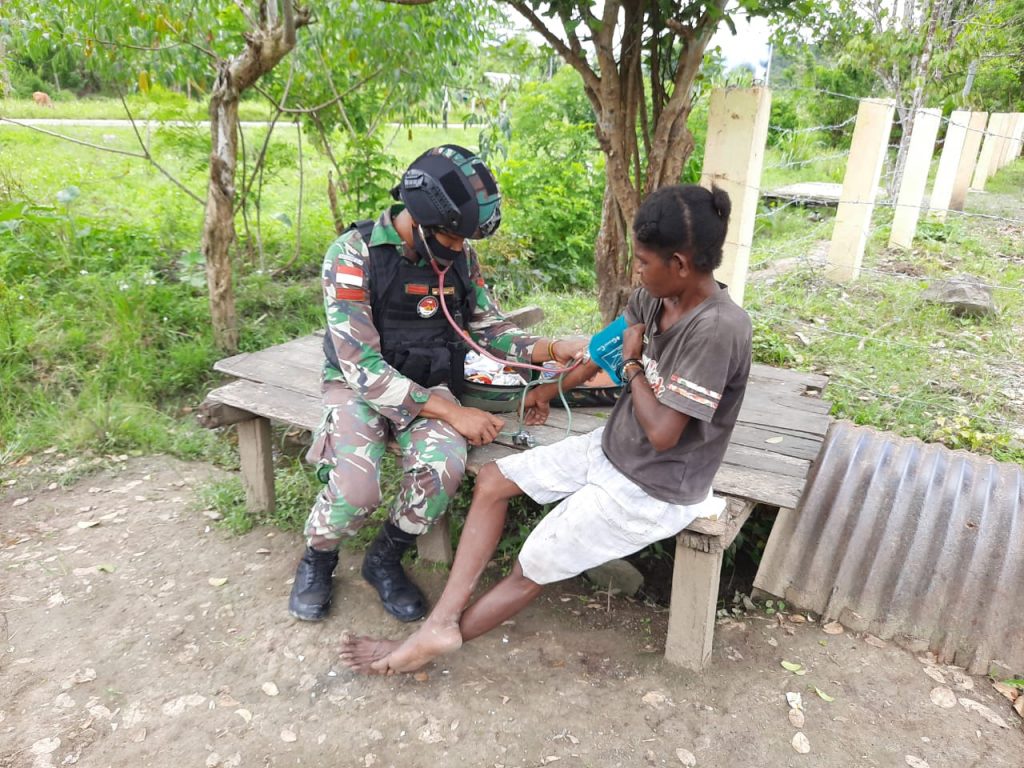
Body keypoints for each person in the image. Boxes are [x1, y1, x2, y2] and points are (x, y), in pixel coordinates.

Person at [340, 183, 752, 674]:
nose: (636, 272)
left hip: (655, 485)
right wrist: (547, 391)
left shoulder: (718, 329)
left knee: (531, 564)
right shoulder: (656, 297)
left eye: (643, 262)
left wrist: (633, 365)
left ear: (680, 264)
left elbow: (664, 434)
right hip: (613, 447)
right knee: (493, 480)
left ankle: (429, 642)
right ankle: (443, 620)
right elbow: (602, 351)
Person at [290, 145, 583, 624]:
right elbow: (362, 367)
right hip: (358, 387)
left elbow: (487, 328)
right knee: (355, 491)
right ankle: (318, 557)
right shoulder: (353, 254)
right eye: (451, 237)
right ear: (419, 219)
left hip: (429, 381)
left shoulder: (460, 257)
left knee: (442, 470)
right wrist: (453, 413)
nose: (459, 248)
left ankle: (384, 557)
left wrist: (551, 348)